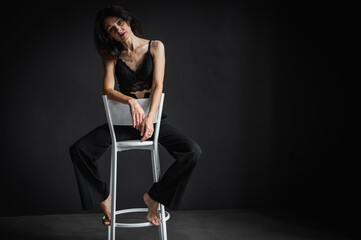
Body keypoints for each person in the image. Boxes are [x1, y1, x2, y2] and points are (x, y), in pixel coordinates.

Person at [69, 5, 202, 227]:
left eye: (119, 23)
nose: (118, 29)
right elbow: (108, 90)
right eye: (111, 29)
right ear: (108, 35)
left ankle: (154, 197)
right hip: (124, 124)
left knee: (192, 151)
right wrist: (130, 100)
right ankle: (104, 197)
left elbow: (159, 85)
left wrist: (149, 119)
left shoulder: (155, 46)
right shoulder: (112, 56)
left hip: (154, 122)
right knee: (79, 150)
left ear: (127, 21)